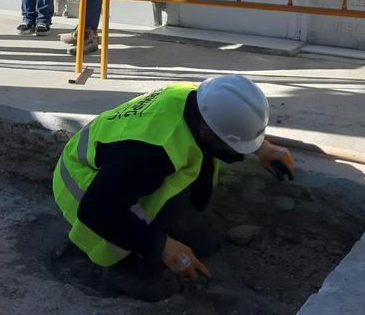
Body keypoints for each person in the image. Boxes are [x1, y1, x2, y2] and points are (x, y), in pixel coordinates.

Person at [52, 75, 296, 301]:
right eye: (231, 146)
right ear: (206, 130)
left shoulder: (201, 99)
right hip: (86, 189)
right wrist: (161, 246)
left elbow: (224, 124)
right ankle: (116, 266)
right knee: (159, 285)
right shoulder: (149, 154)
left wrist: (261, 147)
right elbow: (96, 209)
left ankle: (165, 231)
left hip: (122, 173)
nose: (233, 152)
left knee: (203, 244)